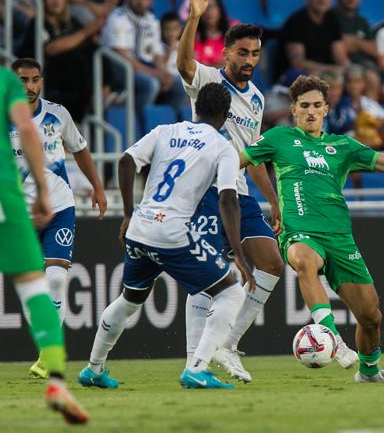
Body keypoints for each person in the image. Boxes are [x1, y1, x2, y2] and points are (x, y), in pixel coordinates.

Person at [241, 74, 384, 383]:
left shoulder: (343, 146)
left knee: (371, 317)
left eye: (317, 105)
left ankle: (369, 372)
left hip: (339, 237)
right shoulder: (278, 138)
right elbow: (243, 160)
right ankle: (334, 341)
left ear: (326, 109)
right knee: (305, 262)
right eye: (304, 106)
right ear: (294, 110)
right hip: (300, 231)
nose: (311, 111)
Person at [78, 82, 255, 389]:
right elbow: (228, 200)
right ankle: (197, 368)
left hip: (141, 227)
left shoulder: (164, 131)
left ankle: (93, 368)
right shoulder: (223, 147)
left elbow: (125, 161)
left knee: (130, 298)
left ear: (195, 108)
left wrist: (130, 213)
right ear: (226, 116)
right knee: (231, 292)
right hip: (171, 232)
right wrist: (238, 254)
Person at [176, 0, 290, 384]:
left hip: (239, 192)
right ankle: (195, 361)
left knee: (273, 264)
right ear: (226, 53)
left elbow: (254, 154)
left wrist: (273, 199)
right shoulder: (208, 80)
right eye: (242, 52)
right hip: (206, 191)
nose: (249, 59)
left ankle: (227, 344)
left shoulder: (257, 99)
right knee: (211, 277)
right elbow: (183, 65)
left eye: (255, 54)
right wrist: (194, 19)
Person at [0, 65, 88, 423]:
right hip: (11, 200)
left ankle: (49, 373)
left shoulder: (53, 112)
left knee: (50, 281)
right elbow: (26, 129)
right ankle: (56, 380)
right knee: (33, 287)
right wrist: (38, 186)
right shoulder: (5, 81)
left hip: (14, 200)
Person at [11, 57, 107, 379]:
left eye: (35, 79)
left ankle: (47, 356)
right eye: (23, 80)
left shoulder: (58, 114)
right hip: (18, 216)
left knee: (54, 280)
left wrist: (98, 187)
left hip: (59, 209)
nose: (30, 87)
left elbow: (79, 149)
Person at [101, 0, 186, 128]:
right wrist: (156, 74)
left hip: (144, 68)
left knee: (179, 85)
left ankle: (168, 129)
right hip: (120, 70)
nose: (141, 1)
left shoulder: (151, 20)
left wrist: (163, 73)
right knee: (151, 84)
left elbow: (157, 54)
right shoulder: (117, 17)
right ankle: (143, 130)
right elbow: (123, 57)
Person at [19, 0, 103, 122]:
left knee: (93, 53)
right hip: (46, 81)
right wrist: (86, 32)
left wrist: (105, 83)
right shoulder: (38, 23)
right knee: (71, 57)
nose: (56, 1)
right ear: (43, 0)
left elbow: (90, 46)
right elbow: (51, 48)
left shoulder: (71, 23)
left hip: (74, 87)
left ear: (66, 1)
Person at [279, 0, 349, 77]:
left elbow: (341, 59)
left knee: (363, 77)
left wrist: (351, 72)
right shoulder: (296, 22)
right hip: (297, 76)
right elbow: (297, 63)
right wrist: (330, 70)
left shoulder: (333, 20)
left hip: (326, 73)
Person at [337, 64, 384, 151]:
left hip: (372, 139)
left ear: (363, 84)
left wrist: (374, 122)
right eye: (350, 81)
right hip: (352, 140)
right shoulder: (341, 103)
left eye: (357, 81)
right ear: (345, 84)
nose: (353, 86)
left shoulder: (368, 102)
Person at [332, 0, 380, 100]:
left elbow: (375, 49)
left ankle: (366, 117)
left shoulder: (362, 21)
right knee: (370, 78)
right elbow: (337, 46)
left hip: (363, 67)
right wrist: (362, 45)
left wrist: (355, 43)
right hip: (338, 67)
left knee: (381, 85)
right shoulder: (330, 17)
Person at [193, 0, 236, 68]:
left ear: (220, 9)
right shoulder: (193, 37)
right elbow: (193, 69)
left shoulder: (234, 30)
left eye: (212, 6)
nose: (208, 11)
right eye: (204, 7)